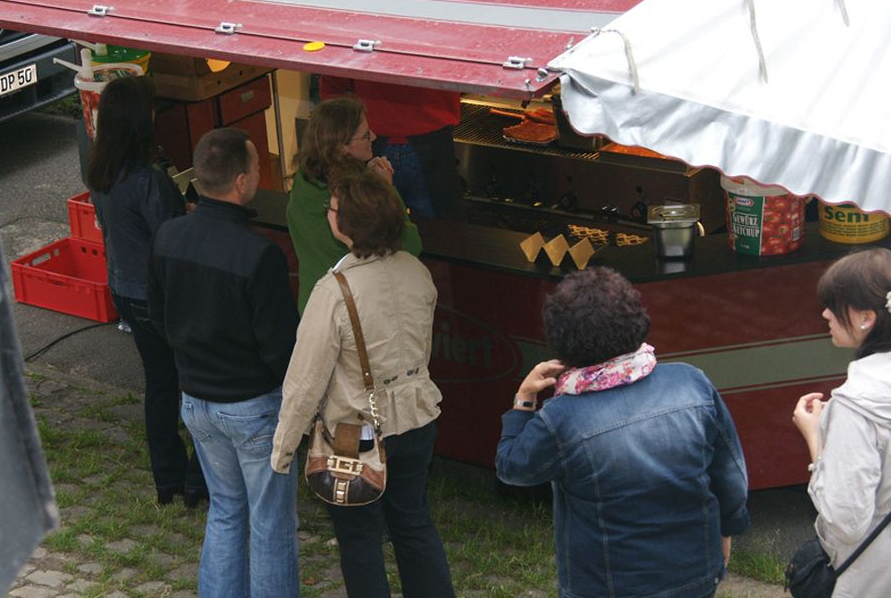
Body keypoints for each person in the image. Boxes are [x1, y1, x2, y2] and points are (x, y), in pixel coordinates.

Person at [496, 267, 749, 598]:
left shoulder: (560, 418)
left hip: (608, 585)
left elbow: (512, 468)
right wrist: (727, 530)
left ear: (562, 342)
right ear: (636, 318)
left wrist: (524, 400)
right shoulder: (691, 382)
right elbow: (729, 472)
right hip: (694, 571)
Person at [271, 169, 455, 598]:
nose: (328, 213)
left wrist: (282, 450)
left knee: (359, 540)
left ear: (345, 225)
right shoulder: (417, 271)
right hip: (416, 418)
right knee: (413, 523)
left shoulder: (335, 290)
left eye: (331, 208)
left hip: (355, 432)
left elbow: (305, 380)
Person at [147, 127, 300, 598]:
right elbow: (280, 347)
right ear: (240, 182)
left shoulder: (168, 236)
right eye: (256, 167)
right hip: (252, 406)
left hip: (196, 401)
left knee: (226, 511)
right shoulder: (260, 255)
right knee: (270, 523)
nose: (258, 174)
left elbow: (157, 317)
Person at [85, 75, 206, 507]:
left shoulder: (101, 172)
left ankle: (167, 481)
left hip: (123, 289)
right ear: (141, 120)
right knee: (196, 385)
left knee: (159, 386)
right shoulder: (149, 180)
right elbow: (171, 240)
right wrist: (190, 213)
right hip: (159, 296)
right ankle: (198, 480)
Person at [792, 248, 891, 596]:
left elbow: (846, 521)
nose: (824, 314)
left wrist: (816, 441)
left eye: (834, 305)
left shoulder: (856, 407)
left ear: (866, 317)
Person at [287, 96, 422, 313]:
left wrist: (365, 176)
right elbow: (409, 244)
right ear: (342, 148)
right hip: (357, 314)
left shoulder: (303, 185)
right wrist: (385, 190)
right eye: (366, 135)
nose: (375, 137)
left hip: (313, 308)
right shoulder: (356, 203)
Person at [319, 76, 464, 220]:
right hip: (429, 128)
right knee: (440, 233)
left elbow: (333, 85)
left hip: (371, 132)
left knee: (369, 228)